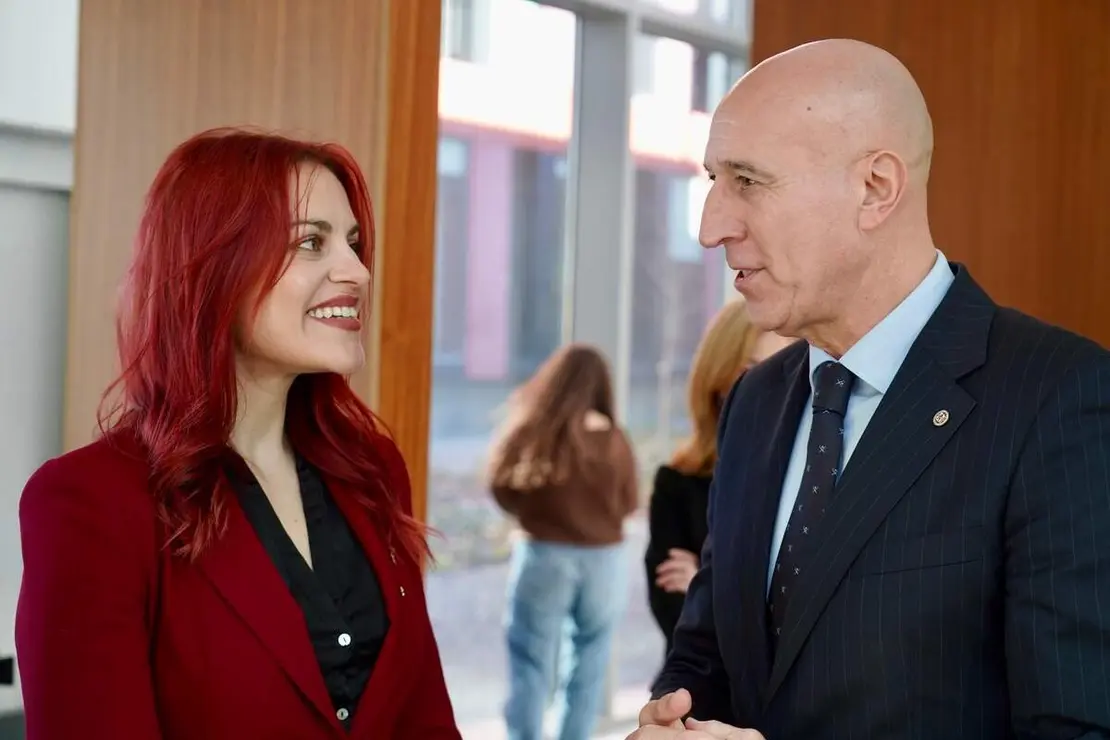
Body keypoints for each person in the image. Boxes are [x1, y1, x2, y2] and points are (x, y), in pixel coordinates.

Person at [631, 39, 1110, 740]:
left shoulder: (1059, 401)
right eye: (712, 180)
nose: (710, 226)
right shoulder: (756, 402)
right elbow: (708, 657)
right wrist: (670, 720)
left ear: (876, 189)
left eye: (748, 181)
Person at [15, 128, 461, 739]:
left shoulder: (371, 470)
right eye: (312, 243)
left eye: (354, 245)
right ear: (215, 267)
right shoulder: (92, 501)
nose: (357, 271)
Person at [487, 343, 639, 740]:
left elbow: (500, 486)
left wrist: (536, 512)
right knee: (589, 663)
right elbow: (631, 501)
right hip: (603, 561)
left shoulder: (536, 431)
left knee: (531, 662)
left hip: (543, 556)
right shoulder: (615, 441)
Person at [644, 299, 791, 666]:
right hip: (698, 693)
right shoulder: (678, 482)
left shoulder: (809, 474)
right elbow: (676, 619)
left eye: (783, 372)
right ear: (720, 376)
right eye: (751, 371)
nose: (766, 388)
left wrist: (704, 587)